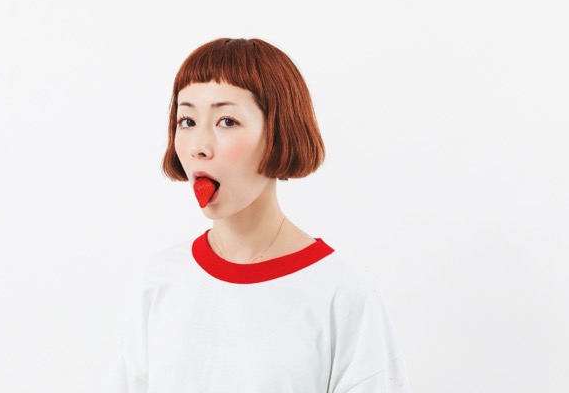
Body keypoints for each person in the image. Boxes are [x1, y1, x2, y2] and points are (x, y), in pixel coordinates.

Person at [102, 38, 410, 392]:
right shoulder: (157, 282)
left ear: (279, 132)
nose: (198, 146)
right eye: (187, 120)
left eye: (227, 121)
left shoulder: (342, 295)